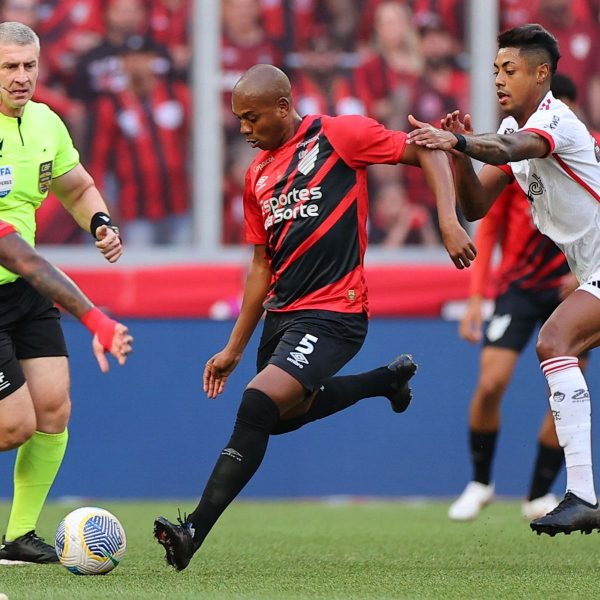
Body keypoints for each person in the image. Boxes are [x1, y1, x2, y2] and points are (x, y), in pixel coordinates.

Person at [153, 63, 476, 571]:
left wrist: (448, 220)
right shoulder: (256, 175)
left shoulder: (339, 135)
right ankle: (384, 382)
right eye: (238, 118)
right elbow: (261, 266)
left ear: (283, 107)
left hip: (334, 312)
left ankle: (193, 528)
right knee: (279, 420)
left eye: (252, 117)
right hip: (282, 317)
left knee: (258, 405)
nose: (243, 128)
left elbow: (428, 148)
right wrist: (235, 348)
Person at [408, 23, 600, 535]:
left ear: (542, 74)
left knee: (555, 340)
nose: (498, 79)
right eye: (495, 70)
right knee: (554, 345)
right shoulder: (522, 129)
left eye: (509, 69)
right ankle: (577, 492)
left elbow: (509, 149)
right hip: (592, 273)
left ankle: (581, 493)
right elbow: (475, 203)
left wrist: (458, 138)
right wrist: (456, 156)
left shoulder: (555, 121)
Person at [0, 21, 123, 563]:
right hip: (17, 271)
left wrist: (97, 219)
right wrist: (95, 318)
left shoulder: (46, 122)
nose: (21, 77)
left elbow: (75, 186)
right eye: (9, 66)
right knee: (14, 424)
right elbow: (17, 254)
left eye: (29, 66)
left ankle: (17, 537)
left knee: (53, 410)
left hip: (24, 293)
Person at [448, 180, 581, 522]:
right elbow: (489, 226)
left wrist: (590, 274)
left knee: (565, 393)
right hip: (517, 289)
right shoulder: (513, 156)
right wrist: (476, 298)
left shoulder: (585, 150)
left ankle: (538, 494)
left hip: (572, 290)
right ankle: (480, 483)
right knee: (491, 384)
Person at [0, 220, 132, 373]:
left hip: (24, 294)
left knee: (54, 396)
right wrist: (96, 321)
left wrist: (101, 222)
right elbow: (24, 260)